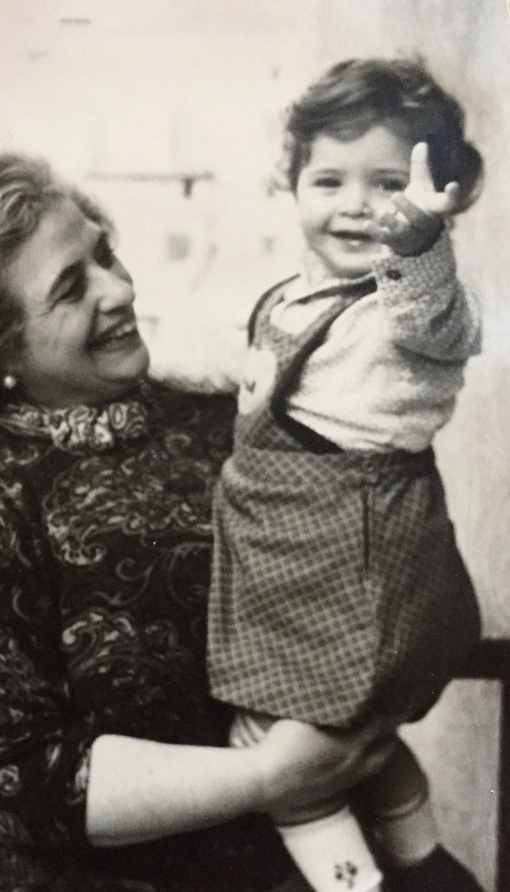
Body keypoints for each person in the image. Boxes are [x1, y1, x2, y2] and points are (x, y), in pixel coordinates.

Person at [0, 153, 401, 892]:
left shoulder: (225, 411)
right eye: (70, 287)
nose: (118, 290)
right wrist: (267, 777)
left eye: (105, 253)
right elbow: (10, 781)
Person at [207, 58, 485, 892]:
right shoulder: (296, 295)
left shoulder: (411, 310)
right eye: (328, 180)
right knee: (356, 738)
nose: (359, 205)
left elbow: (427, 310)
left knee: (268, 744)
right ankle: (423, 862)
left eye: (390, 184)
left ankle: (353, 885)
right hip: (302, 562)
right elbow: (251, 376)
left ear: (441, 196)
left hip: (354, 568)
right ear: (290, 185)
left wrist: (419, 242)